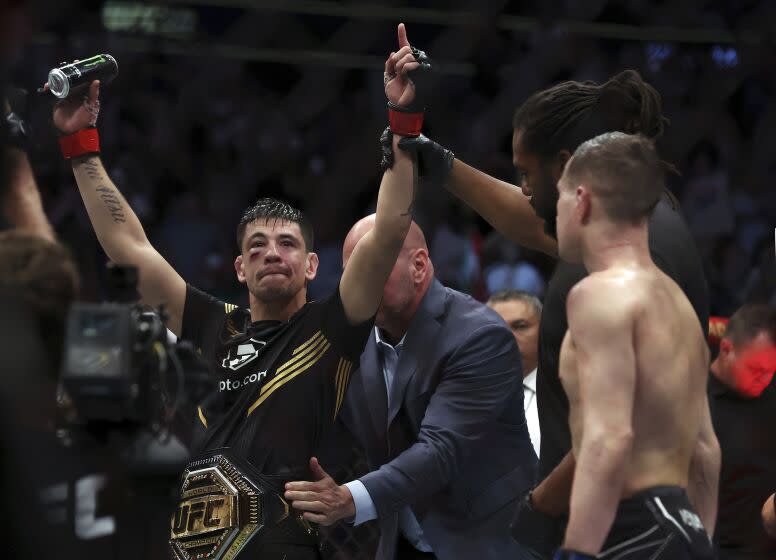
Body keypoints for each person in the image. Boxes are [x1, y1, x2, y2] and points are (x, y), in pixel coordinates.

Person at [48, 70, 416, 559]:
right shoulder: (211, 324)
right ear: (240, 268)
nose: (272, 253)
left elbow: (390, 227)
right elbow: (129, 248)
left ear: (311, 266)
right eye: (257, 246)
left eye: (288, 244)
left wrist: (403, 121)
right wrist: (80, 142)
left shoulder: (331, 326)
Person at [384, 25, 710, 555]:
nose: (527, 191)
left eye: (527, 174)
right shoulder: (636, 222)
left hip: (616, 531)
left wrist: (545, 512)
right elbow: (535, 221)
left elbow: (618, 429)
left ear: (565, 167)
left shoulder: (620, 267)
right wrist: (433, 159)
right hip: (654, 523)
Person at [284, 217, 537, 560]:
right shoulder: (354, 341)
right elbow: (325, 423)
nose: (358, 282)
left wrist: (348, 499)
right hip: (405, 541)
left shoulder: (479, 336)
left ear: (418, 266)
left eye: (371, 265)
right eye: (350, 271)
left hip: (489, 542)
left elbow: (440, 451)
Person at [552, 132, 717, 559]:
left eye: (560, 196)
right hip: (684, 528)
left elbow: (609, 438)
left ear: (582, 200)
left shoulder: (599, 295)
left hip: (631, 527)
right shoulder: (679, 307)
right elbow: (705, 452)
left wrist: (577, 552)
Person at [708, 304, 776, 559]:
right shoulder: (699, 403)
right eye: (757, 370)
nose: (766, 379)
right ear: (726, 350)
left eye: (772, 371)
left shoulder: (771, 394)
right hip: (721, 549)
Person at [488, 289, 542, 457]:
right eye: (497, 327)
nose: (508, 336)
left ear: (544, 330)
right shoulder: (464, 395)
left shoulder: (564, 391)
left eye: (520, 326)